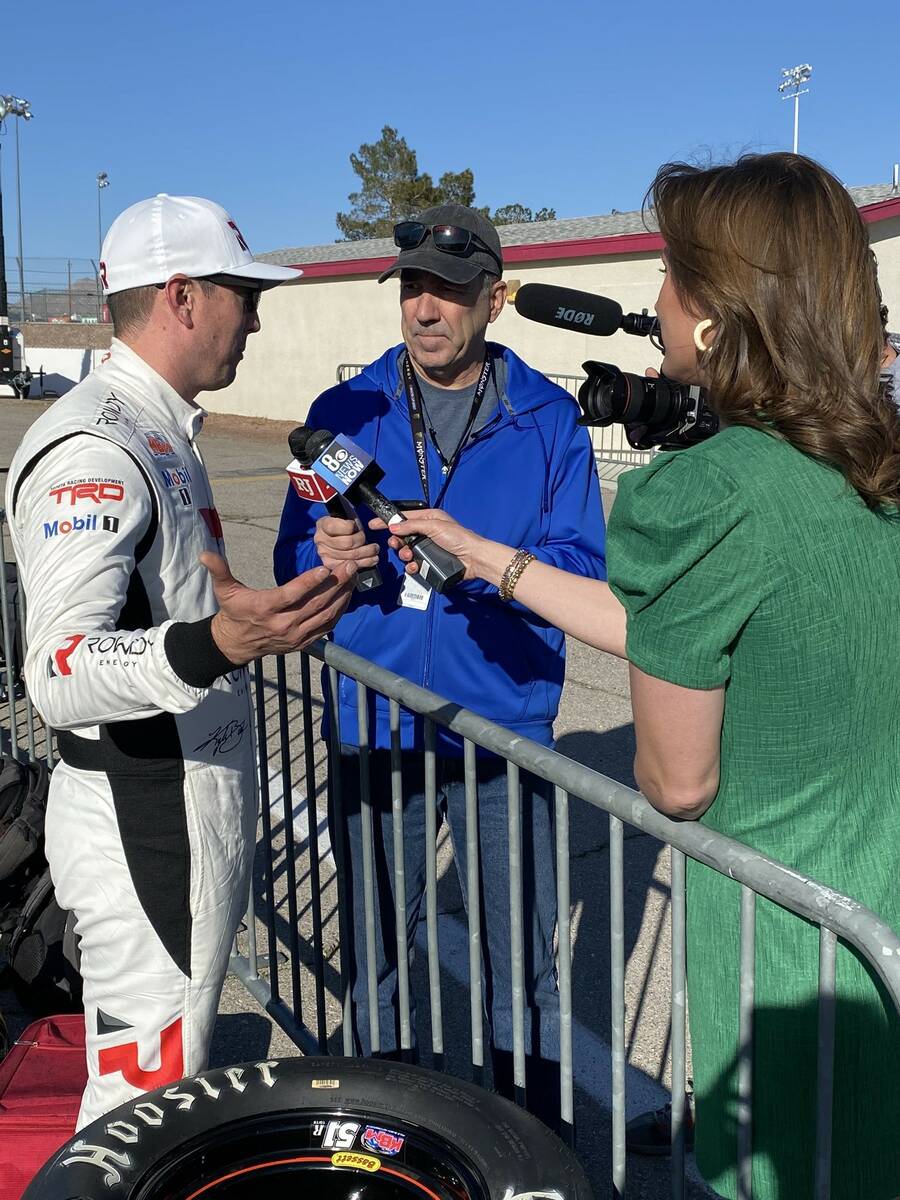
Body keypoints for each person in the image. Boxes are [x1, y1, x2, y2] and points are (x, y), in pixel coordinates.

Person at [380, 156, 900, 1198]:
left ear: (716, 314)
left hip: (786, 961)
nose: (653, 295)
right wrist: (486, 555)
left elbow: (676, 780)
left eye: (671, 269)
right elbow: (690, 628)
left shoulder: (705, 490)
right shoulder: (869, 457)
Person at [5, 194, 357, 1129]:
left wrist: (245, 608)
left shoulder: (165, 425)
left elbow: (173, 598)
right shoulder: (98, 442)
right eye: (244, 294)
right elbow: (60, 669)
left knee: (175, 1077)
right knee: (141, 1109)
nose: (257, 316)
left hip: (188, 798)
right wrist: (221, 642)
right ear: (183, 295)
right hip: (143, 812)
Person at [274, 203, 606, 1125]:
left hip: (503, 734)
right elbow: (291, 555)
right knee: (377, 956)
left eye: (450, 290)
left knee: (520, 966)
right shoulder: (346, 413)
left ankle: (531, 1148)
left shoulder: (548, 420)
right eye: (413, 286)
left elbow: (582, 572)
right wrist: (327, 554)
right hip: (376, 725)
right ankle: (382, 1135)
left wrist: (482, 559)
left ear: (492, 300)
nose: (426, 308)